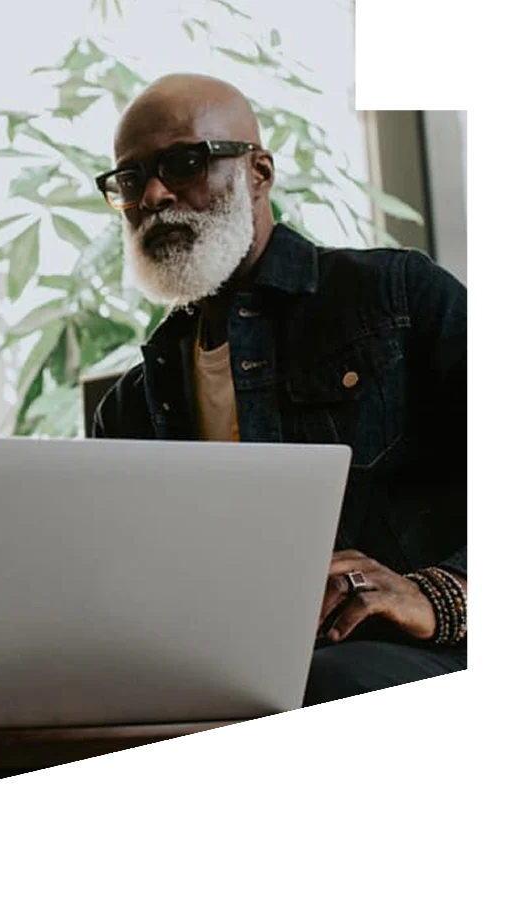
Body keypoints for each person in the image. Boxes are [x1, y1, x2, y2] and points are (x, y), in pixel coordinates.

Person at [89, 73, 473, 710]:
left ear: (259, 173)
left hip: (414, 655)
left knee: (320, 685)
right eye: (130, 180)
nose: (154, 194)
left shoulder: (396, 298)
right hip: (229, 669)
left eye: (183, 162)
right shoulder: (130, 406)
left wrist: (444, 595)